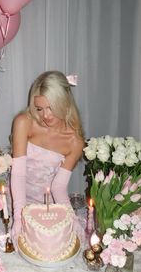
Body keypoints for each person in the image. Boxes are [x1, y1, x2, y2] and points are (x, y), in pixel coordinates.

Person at [10, 70, 85, 248]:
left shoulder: (75, 142)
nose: (46, 115)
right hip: (17, 197)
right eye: (39, 108)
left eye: (51, 107)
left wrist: (70, 216)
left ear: (65, 103)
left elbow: (58, 187)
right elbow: (18, 175)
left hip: (47, 207)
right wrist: (19, 217)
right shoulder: (24, 122)